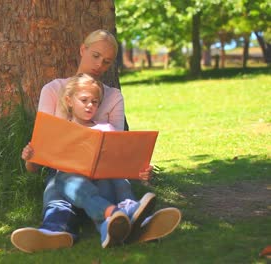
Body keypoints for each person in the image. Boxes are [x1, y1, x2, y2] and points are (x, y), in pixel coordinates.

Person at [11, 29, 181, 253]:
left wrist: (138, 171)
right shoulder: (54, 90)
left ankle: (69, 228)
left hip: (105, 175)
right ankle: (71, 226)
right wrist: (31, 157)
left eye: (107, 61)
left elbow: (118, 154)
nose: (99, 64)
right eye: (96, 56)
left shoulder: (112, 97)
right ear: (83, 49)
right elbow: (37, 159)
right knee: (61, 179)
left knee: (105, 180)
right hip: (64, 172)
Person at [20, 73, 156, 248]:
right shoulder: (59, 130)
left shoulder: (106, 128)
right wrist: (29, 158)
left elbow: (123, 163)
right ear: (69, 101)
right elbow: (33, 168)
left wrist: (142, 171)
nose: (89, 106)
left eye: (95, 102)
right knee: (63, 177)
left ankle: (119, 218)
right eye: (84, 100)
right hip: (74, 189)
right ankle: (116, 215)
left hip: (104, 184)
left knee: (112, 176)